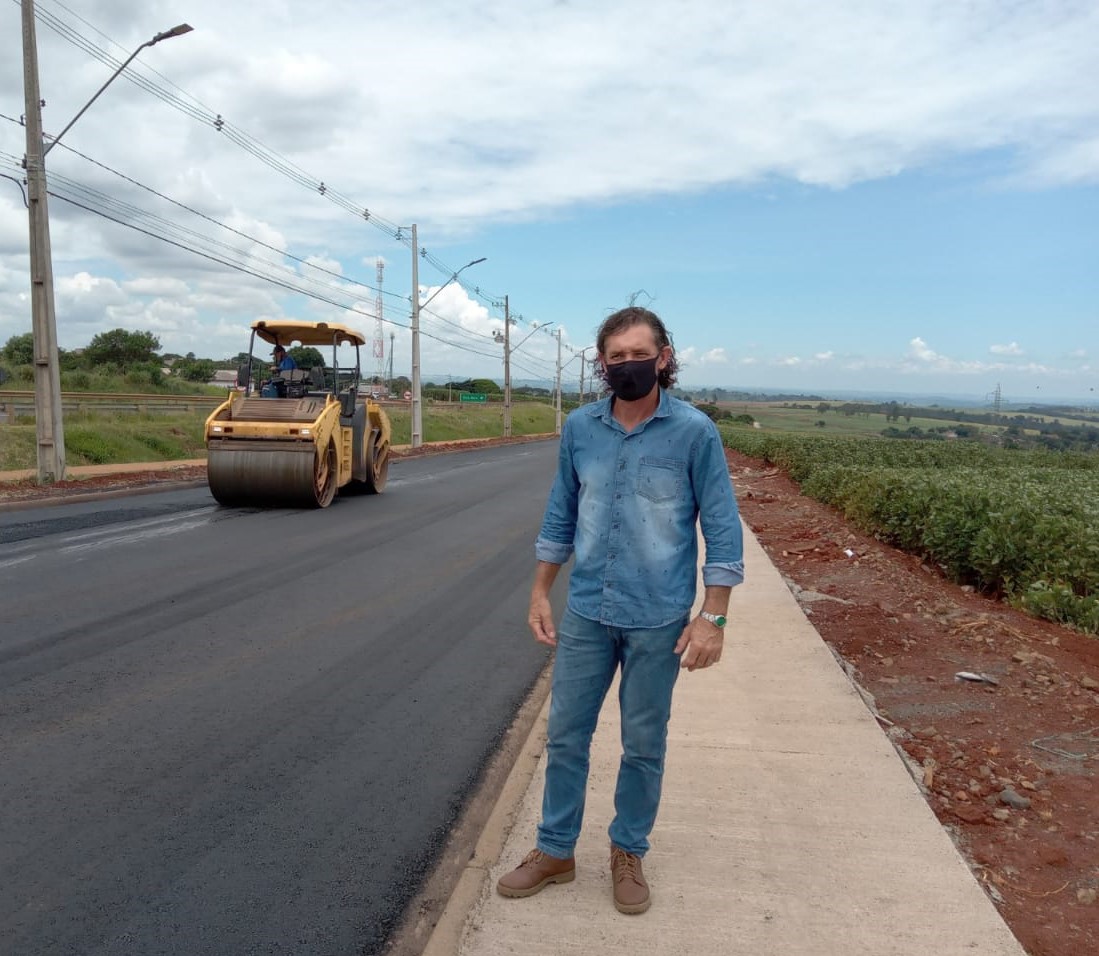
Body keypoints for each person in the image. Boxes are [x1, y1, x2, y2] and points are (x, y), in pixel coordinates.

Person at [496, 306, 744, 915]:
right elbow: (560, 512)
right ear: (602, 364)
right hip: (586, 612)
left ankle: (627, 851)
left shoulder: (693, 432)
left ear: (664, 358)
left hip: (659, 619)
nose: (628, 365)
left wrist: (713, 617)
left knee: (643, 743)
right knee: (566, 737)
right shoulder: (581, 429)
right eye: (616, 357)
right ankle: (554, 851)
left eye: (640, 354)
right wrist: (538, 592)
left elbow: (721, 524)